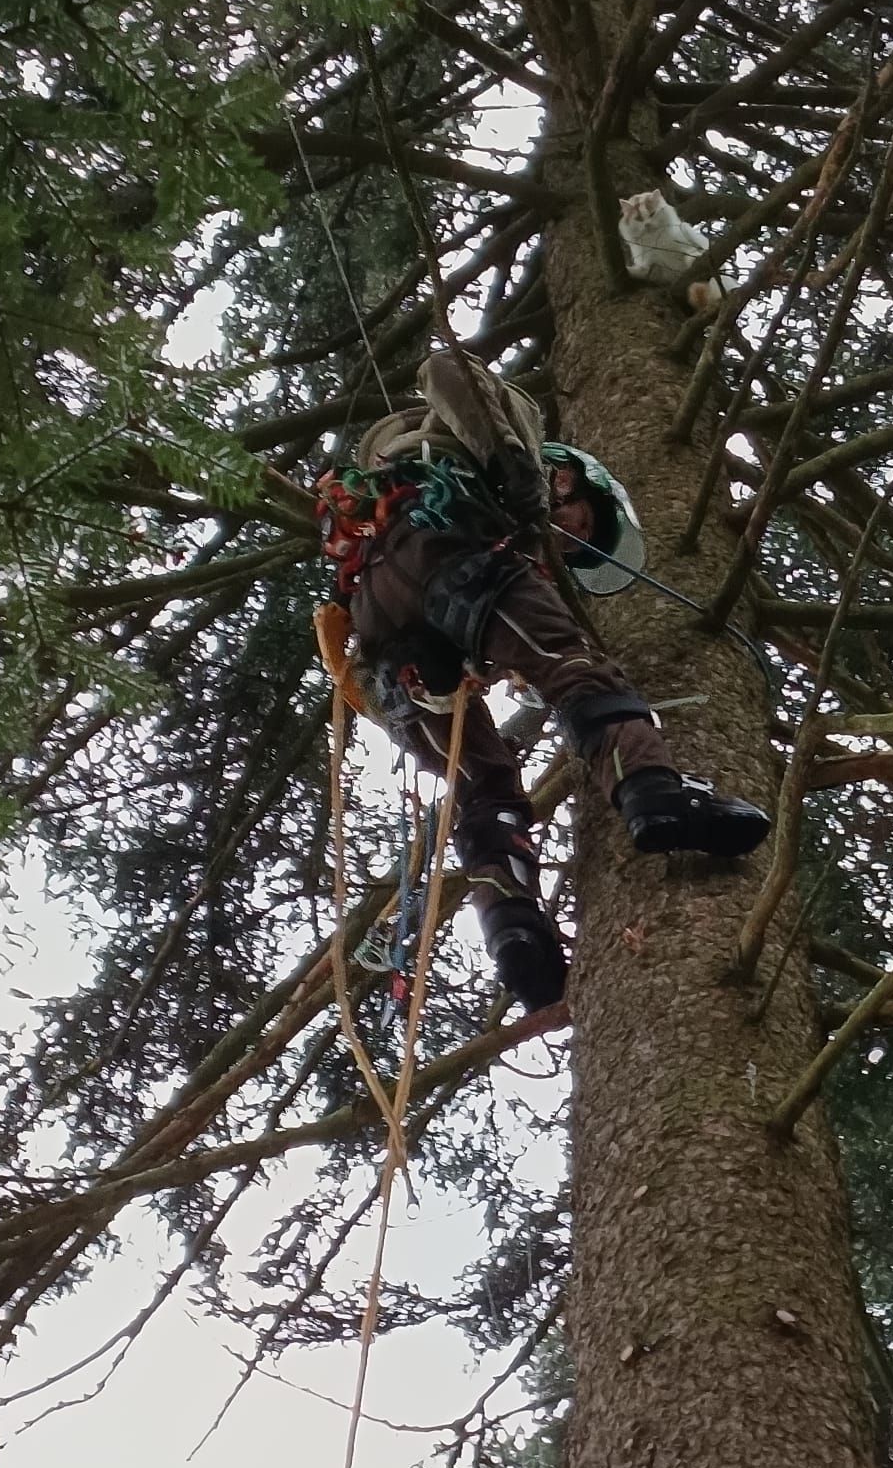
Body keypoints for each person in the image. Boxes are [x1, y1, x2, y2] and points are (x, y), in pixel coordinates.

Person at [316, 351, 770, 1012]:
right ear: (565, 478)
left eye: (576, 547)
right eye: (578, 526)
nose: (566, 540)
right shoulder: (512, 436)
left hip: (379, 610)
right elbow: (446, 368)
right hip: (442, 547)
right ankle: (653, 793)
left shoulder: (401, 478)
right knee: (576, 667)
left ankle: (515, 931)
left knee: (483, 781)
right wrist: (512, 466)